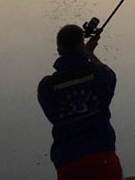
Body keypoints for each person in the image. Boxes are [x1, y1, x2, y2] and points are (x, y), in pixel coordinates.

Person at [38, 24, 123, 180]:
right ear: (82, 45)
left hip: (69, 164)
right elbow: (110, 77)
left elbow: (52, 115)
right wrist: (90, 53)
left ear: (59, 51)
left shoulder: (47, 87)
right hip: (104, 158)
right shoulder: (99, 75)